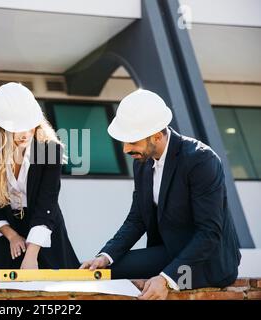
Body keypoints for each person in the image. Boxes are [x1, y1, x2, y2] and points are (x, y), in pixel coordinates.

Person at [81, 89, 241, 300]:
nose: (126, 149)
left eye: (133, 142)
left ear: (156, 136)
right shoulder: (142, 162)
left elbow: (209, 232)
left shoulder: (201, 160)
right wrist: (105, 256)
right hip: (169, 251)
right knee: (99, 273)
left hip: (207, 262)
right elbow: (137, 219)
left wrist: (165, 278)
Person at [0, 82, 80, 281]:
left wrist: (32, 255)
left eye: (28, 125)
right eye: (16, 128)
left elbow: (47, 203)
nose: (25, 133)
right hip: (9, 232)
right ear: (1, 127)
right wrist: (11, 236)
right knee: (4, 292)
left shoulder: (51, 150)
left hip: (45, 228)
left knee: (59, 290)